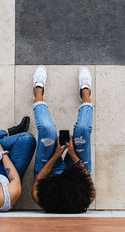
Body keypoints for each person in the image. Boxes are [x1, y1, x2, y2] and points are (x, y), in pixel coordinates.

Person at [31, 66, 96, 213]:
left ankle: (38, 92)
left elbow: (40, 179)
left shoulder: (41, 198)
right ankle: (85, 93)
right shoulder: (86, 197)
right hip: (77, 170)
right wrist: (72, 154)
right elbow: (85, 176)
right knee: (83, 131)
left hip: (48, 171)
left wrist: (56, 155)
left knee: (47, 131)